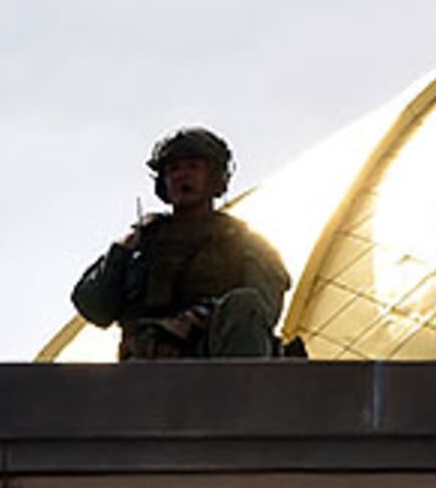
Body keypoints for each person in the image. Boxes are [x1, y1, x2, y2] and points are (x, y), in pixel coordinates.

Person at [72, 126, 295, 359]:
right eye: (173, 169)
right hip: (148, 369)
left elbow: (261, 307)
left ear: (214, 177)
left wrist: (196, 318)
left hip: (217, 365)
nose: (181, 176)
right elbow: (93, 307)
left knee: (245, 303)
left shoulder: (243, 242)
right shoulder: (142, 243)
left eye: (193, 167)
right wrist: (121, 251)